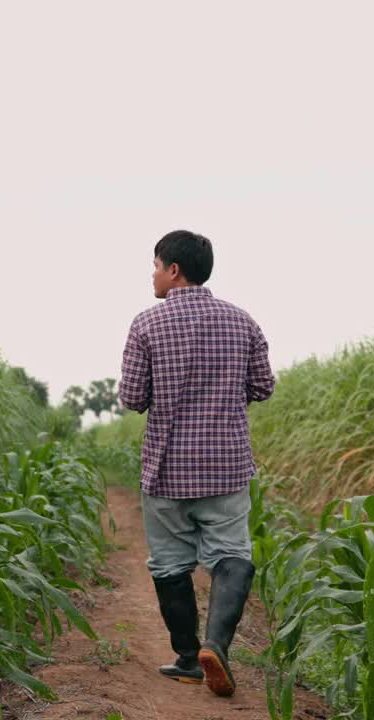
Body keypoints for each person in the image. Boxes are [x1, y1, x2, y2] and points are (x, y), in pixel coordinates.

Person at [117, 230, 276, 698]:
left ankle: (188, 659)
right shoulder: (242, 321)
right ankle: (218, 646)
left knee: (169, 564)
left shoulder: (146, 325)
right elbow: (263, 386)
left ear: (173, 270)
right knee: (233, 557)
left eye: (154, 265)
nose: (152, 274)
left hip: (166, 471)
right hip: (226, 467)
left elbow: (132, 397)